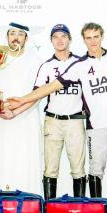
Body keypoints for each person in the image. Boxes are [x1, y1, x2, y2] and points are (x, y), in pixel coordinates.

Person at [7, 22, 107, 199]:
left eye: (96, 36)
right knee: (83, 171)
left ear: (102, 36)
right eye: (88, 37)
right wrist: (21, 101)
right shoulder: (77, 66)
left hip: (104, 122)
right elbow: (49, 88)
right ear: (83, 40)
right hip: (81, 125)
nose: (93, 41)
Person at [0, 22, 43, 195]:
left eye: (20, 34)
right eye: (12, 33)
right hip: (0, 119)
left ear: (26, 38)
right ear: (7, 36)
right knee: (0, 160)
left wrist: (16, 111)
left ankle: (28, 209)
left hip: (26, 120)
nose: (15, 37)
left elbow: (38, 93)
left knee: (24, 162)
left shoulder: (36, 60)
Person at [34, 24, 86, 199]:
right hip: (53, 121)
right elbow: (36, 94)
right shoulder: (46, 66)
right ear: (51, 41)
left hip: (75, 121)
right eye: (55, 37)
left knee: (78, 168)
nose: (60, 40)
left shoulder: (81, 63)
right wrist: (16, 108)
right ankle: (49, 212)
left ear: (70, 39)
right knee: (50, 168)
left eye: (63, 36)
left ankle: (79, 211)